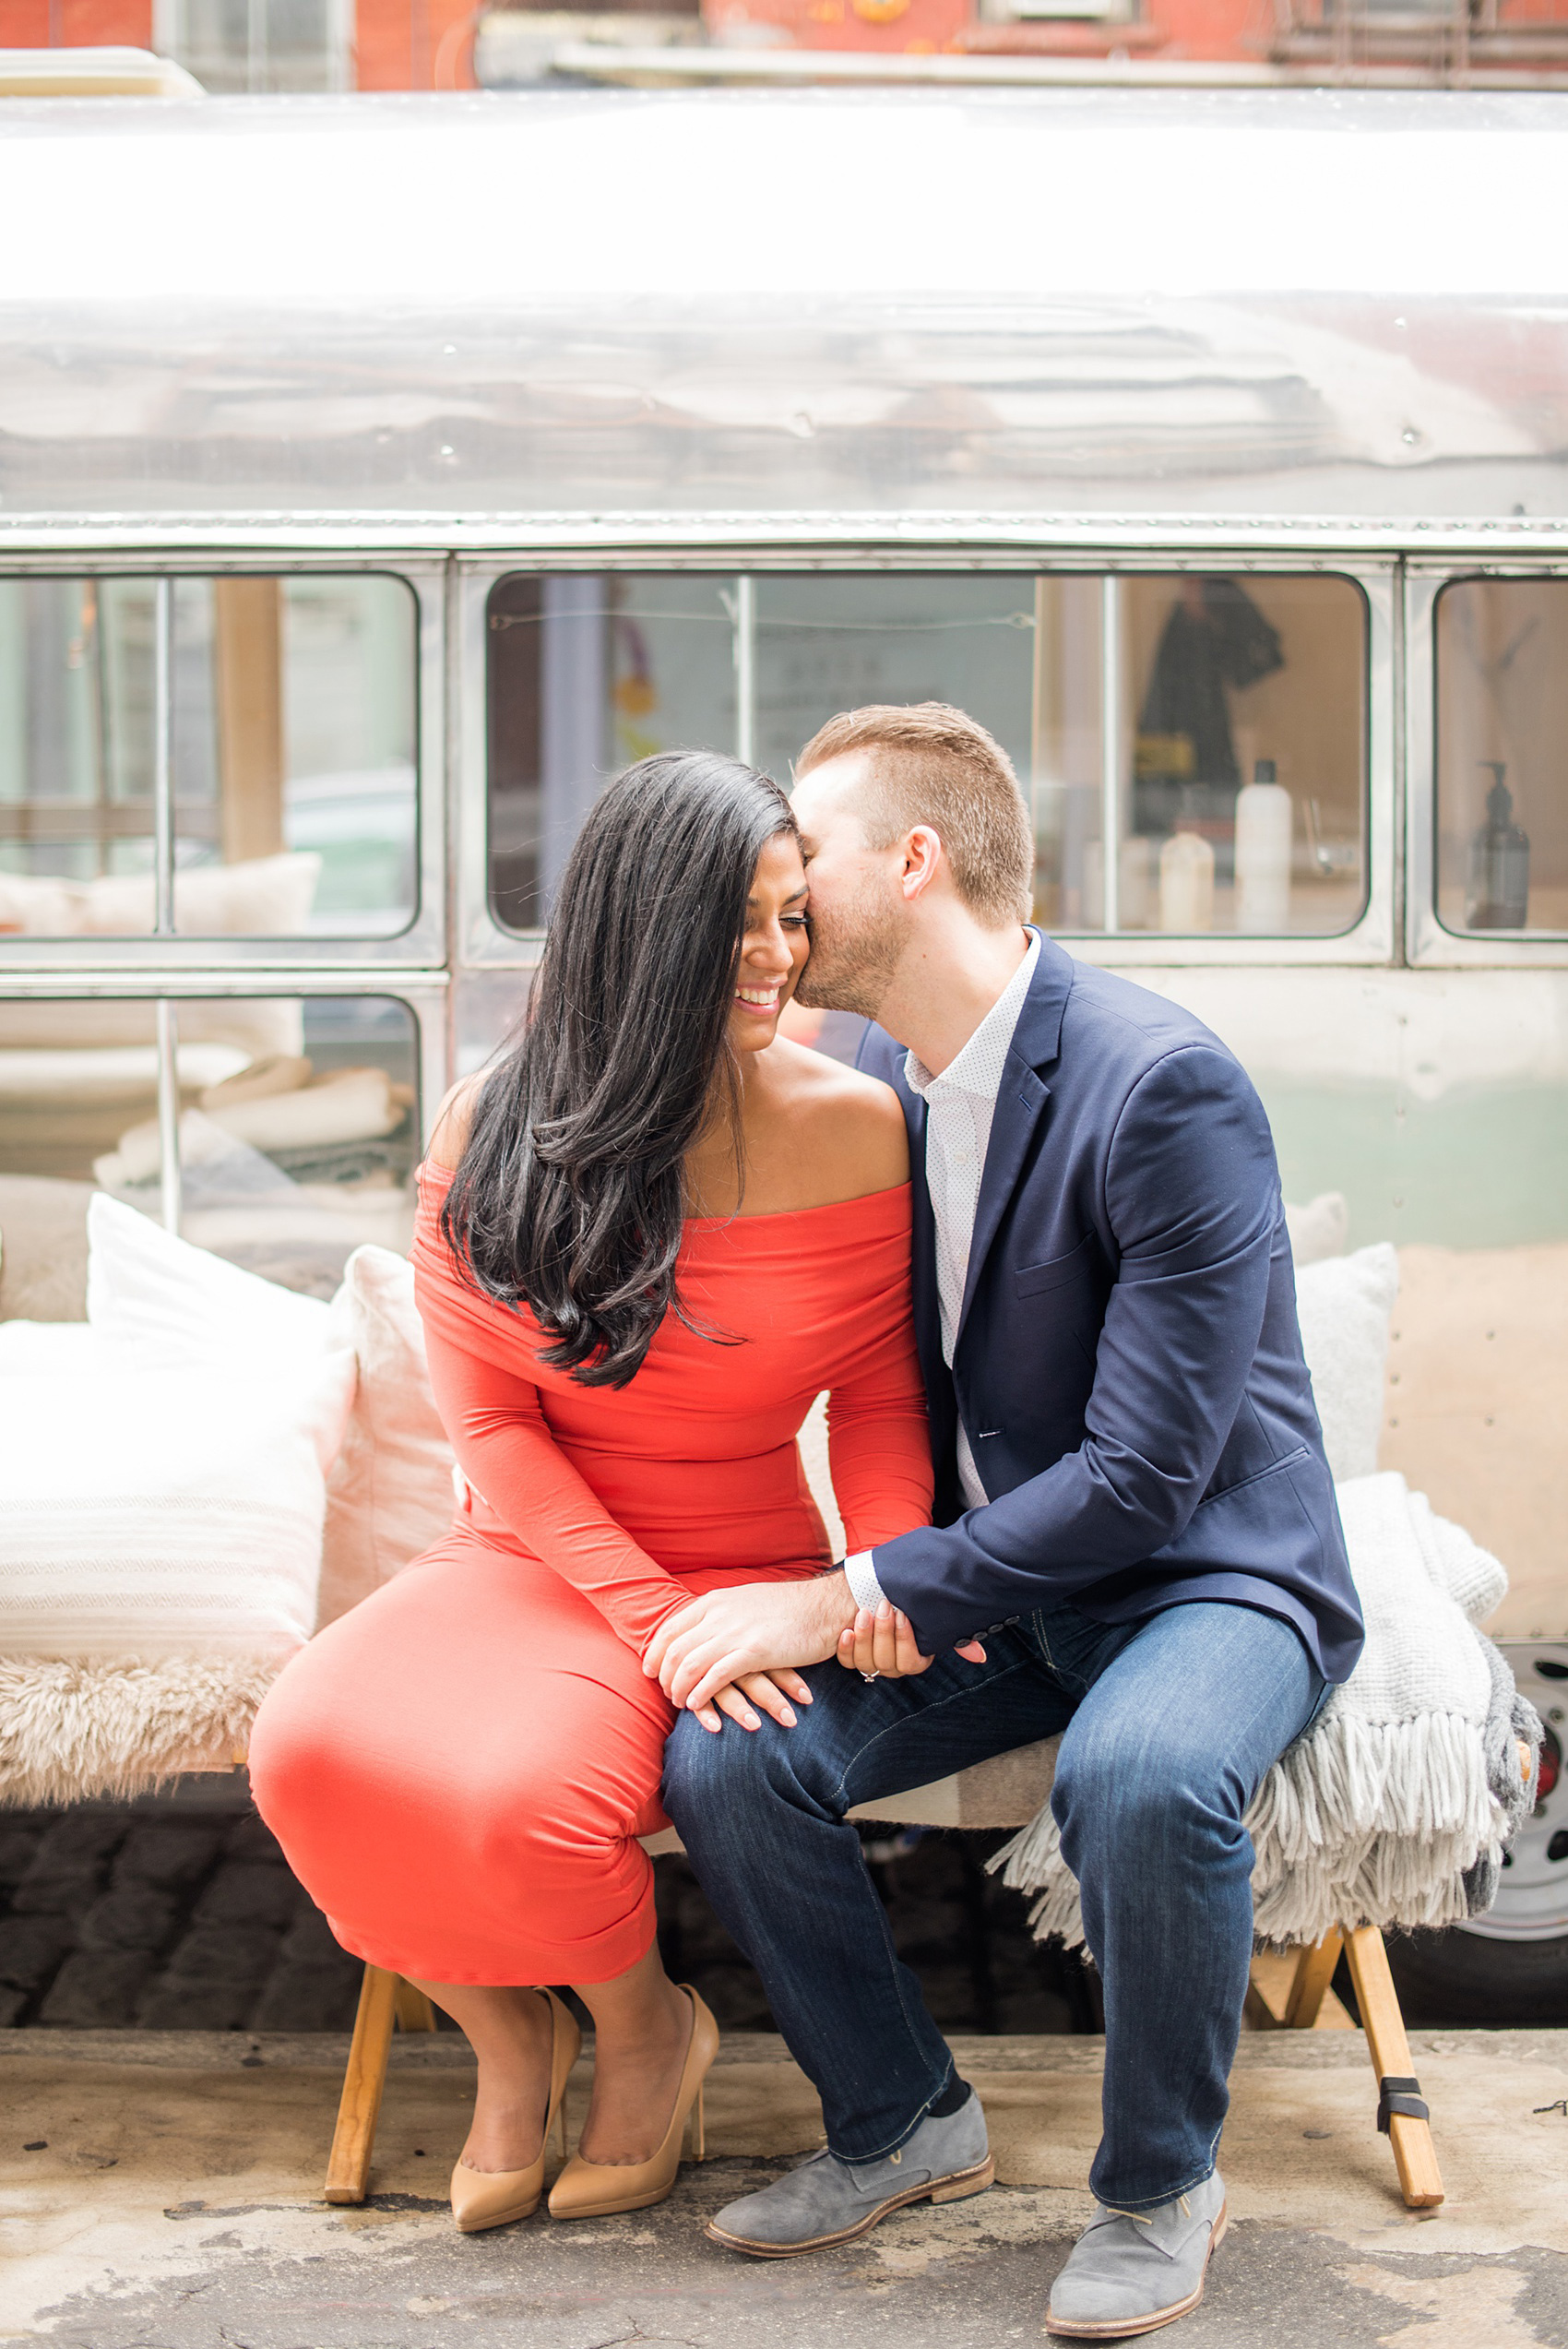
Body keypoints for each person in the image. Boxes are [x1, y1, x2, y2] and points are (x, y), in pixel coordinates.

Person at [657, 704, 1364, 2339]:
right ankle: (904, 2117)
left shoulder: (1159, 1081)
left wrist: (852, 1589)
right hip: (1002, 1588)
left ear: (912, 861)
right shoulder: (860, 1080)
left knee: (1144, 1770)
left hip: (1208, 1579)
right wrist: (901, 1570)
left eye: (805, 861)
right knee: (732, 1752)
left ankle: (1160, 2180)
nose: (782, 902)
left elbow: (1145, 1478)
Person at [247, 750, 934, 2237]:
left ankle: (643, 2027)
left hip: (739, 1561)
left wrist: (881, 1570)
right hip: (538, 1552)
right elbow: (491, 1425)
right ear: (643, 935)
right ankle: (516, 2040)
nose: (777, 960)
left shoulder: (862, 1128)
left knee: (526, 1805)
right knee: (300, 1748)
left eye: (792, 918)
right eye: (738, 926)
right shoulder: (488, 1126)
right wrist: (643, 1611)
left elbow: (879, 1391)